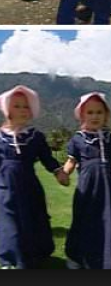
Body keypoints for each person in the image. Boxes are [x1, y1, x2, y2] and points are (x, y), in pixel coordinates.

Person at [0, 85, 68, 269]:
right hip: (5, 187)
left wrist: (59, 172)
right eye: (17, 106)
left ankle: (34, 254)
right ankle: (9, 258)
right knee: (9, 222)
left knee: (32, 219)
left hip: (29, 186)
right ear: (7, 110)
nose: (22, 110)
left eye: (26, 106)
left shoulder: (36, 136)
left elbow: (46, 158)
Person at [62, 92, 111, 269]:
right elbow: (71, 161)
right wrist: (64, 174)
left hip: (108, 190)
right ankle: (76, 256)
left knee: (107, 221)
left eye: (99, 112)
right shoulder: (78, 139)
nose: (95, 116)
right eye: (90, 112)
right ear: (82, 115)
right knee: (83, 220)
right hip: (87, 189)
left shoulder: (109, 137)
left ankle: (105, 259)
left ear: (106, 115)